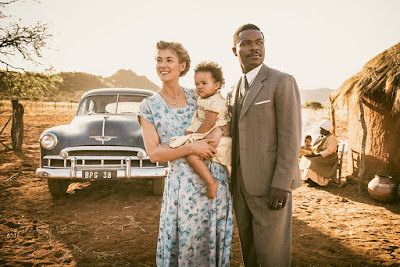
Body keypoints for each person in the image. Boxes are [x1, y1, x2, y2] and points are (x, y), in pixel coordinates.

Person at [138, 41, 233, 266]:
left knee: (211, 242)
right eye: (159, 60)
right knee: (186, 244)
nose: (163, 65)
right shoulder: (149, 106)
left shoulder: (200, 95)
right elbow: (154, 153)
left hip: (215, 181)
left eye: (169, 60)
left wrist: (219, 131)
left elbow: (228, 120)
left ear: (182, 66)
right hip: (182, 188)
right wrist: (191, 147)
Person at [228, 24, 302, 266]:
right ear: (234, 50)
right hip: (240, 187)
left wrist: (282, 184)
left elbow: (290, 136)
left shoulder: (282, 81)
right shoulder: (234, 88)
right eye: (246, 43)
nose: (254, 48)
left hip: (271, 187)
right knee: (249, 254)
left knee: (272, 257)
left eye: (259, 42)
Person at [170, 61, 232, 199]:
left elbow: (209, 123)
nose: (199, 87)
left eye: (204, 83)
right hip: (211, 134)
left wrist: (195, 137)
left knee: (192, 156)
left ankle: (211, 183)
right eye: (196, 84)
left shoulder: (214, 101)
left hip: (216, 137)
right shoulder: (205, 99)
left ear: (216, 85)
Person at [299, 120, 339, 187]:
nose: (320, 130)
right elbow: (316, 147)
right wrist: (308, 149)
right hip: (321, 155)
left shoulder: (331, 138)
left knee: (313, 162)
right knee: (305, 158)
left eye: (321, 129)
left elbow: (329, 150)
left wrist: (318, 154)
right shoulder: (321, 137)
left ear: (326, 130)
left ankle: (316, 181)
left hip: (328, 157)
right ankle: (308, 177)